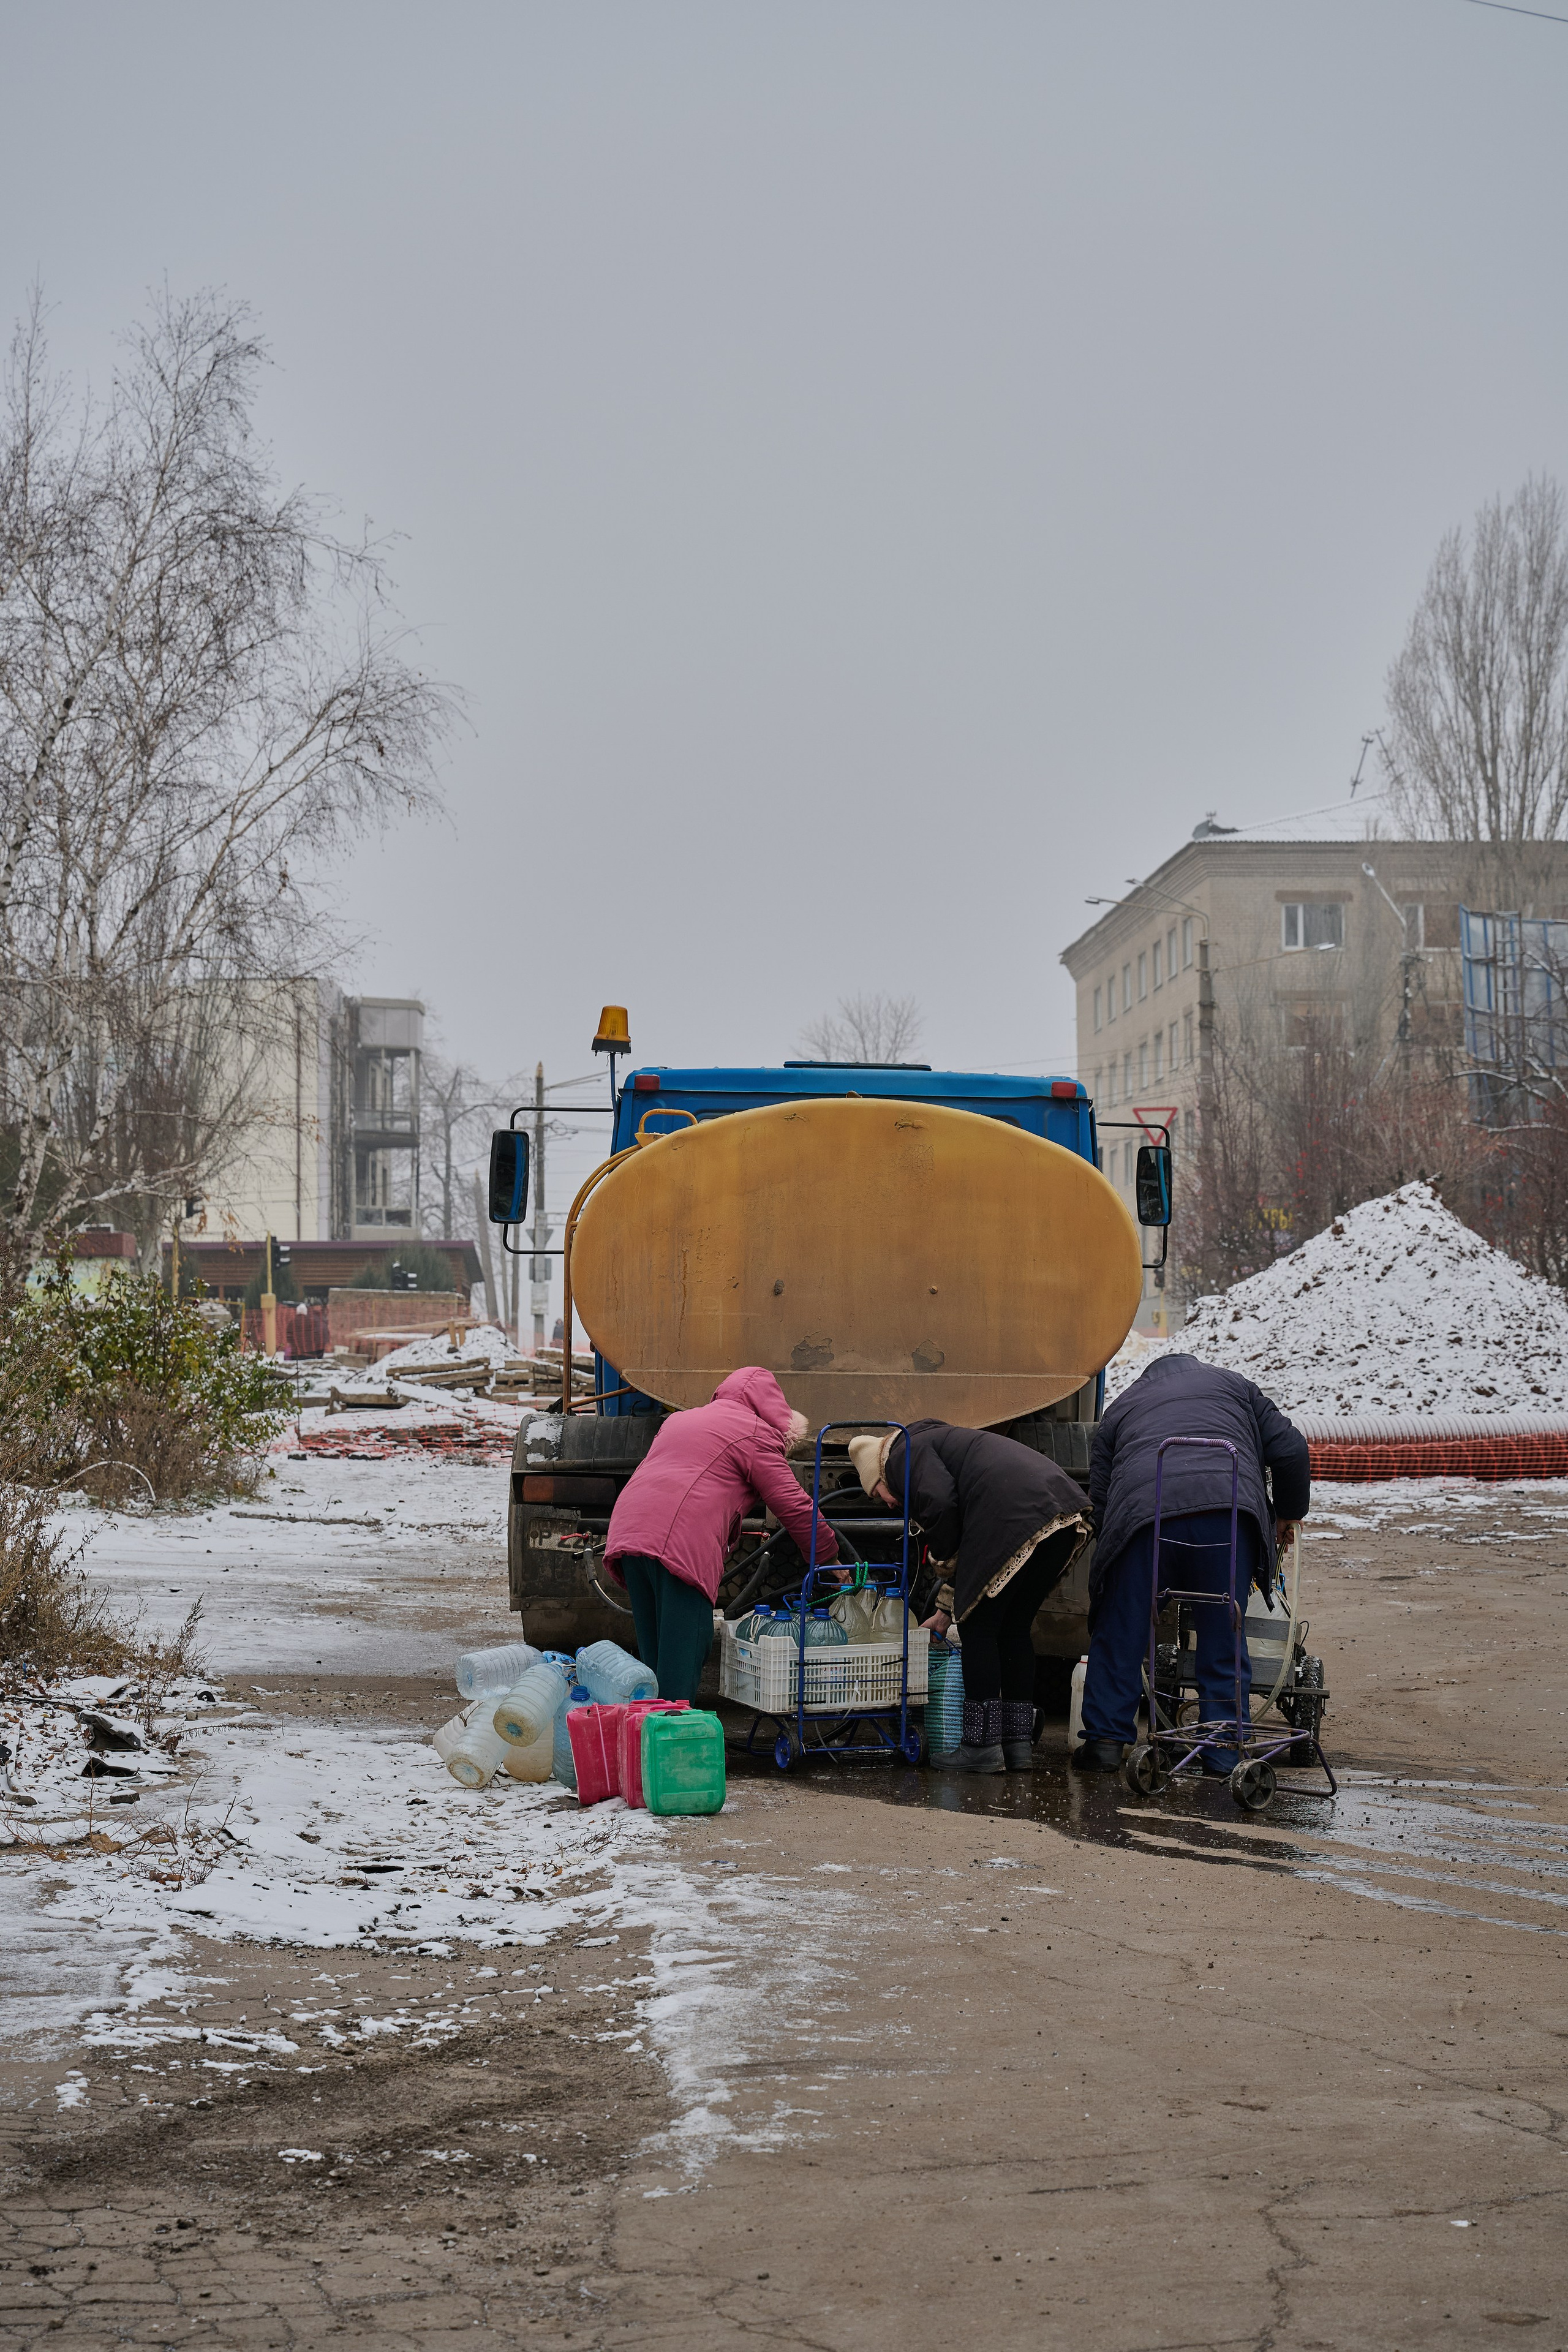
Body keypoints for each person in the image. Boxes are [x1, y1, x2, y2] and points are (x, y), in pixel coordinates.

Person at [1076, 1354, 1310, 1774]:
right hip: (1228, 1514)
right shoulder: (1236, 1385)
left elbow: (1102, 1498)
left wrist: (1117, 1556)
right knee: (1223, 1632)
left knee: (1122, 1628)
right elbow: (1291, 1448)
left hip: (1144, 1519)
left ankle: (1105, 1744)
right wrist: (1288, 1514)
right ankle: (1222, 1753)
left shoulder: (1124, 1404)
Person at [848, 1421, 1090, 1774]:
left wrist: (943, 1561)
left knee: (978, 1628)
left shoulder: (900, 1456)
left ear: (879, 1474)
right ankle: (1017, 1745)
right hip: (1061, 1517)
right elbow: (974, 1557)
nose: (887, 1503)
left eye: (876, 1494)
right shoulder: (938, 1441)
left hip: (1014, 1515)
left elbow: (941, 1504)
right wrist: (946, 1608)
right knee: (1014, 1629)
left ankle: (981, 1747)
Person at [603, 1366, 840, 1703]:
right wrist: (828, 1558)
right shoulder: (754, 1432)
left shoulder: (681, 1420)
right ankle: (672, 1745)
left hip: (629, 1532)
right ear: (774, 1409)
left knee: (654, 1659)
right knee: (682, 1659)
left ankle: (644, 1743)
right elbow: (794, 1505)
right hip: (679, 1543)